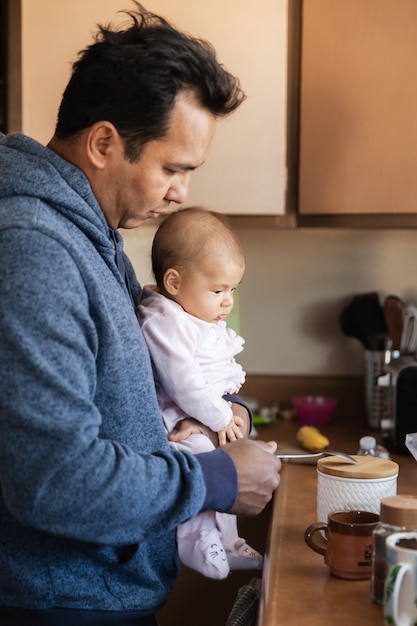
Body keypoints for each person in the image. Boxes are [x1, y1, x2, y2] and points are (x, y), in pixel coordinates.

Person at [0, 2, 281, 624]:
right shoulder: (34, 249)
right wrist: (213, 480)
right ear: (104, 142)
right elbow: (54, 480)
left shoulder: (91, 239)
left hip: (94, 595)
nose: (182, 192)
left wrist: (219, 415)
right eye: (172, 168)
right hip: (59, 606)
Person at [138, 207, 263, 581]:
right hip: (174, 421)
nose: (228, 302)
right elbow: (183, 383)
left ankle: (227, 539)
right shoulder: (164, 320)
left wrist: (231, 414)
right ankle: (196, 538)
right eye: (218, 290)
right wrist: (222, 417)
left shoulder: (195, 314)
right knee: (205, 462)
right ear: (174, 282)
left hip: (203, 413)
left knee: (225, 462)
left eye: (232, 290)